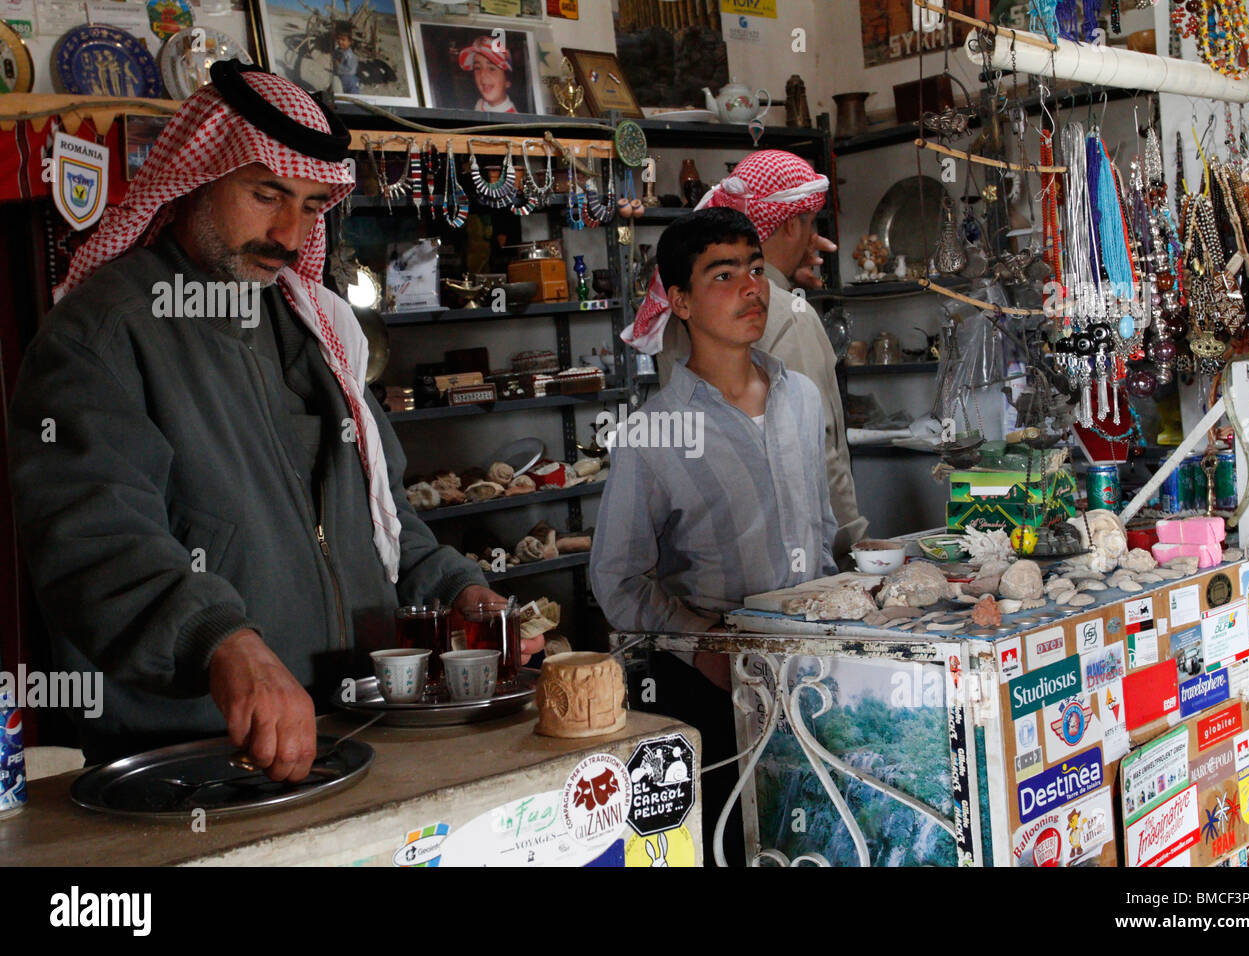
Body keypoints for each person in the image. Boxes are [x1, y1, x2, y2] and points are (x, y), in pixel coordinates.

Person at [7, 60, 541, 779]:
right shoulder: (103, 334)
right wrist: (220, 641)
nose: (289, 235)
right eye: (267, 194)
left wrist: (454, 588)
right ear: (198, 173)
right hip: (192, 760)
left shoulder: (312, 325)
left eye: (313, 207)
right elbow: (96, 542)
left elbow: (381, 515)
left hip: (356, 732)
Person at [590, 207, 837, 863]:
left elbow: (826, 529)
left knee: (823, 838)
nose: (750, 289)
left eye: (755, 270)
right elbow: (616, 581)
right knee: (734, 847)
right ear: (679, 300)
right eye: (723, 275)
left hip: (815, 675)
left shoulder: (803, 399)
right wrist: (703, 646)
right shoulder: (652, 436)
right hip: (714, 693)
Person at [628, 150, 868, 562]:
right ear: (791, 222)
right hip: (784, 548)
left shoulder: (683, 311)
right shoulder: (792, 317)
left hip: (704, 542)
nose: (813, 238)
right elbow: (818, 450)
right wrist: (851, 543)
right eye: (809, 224)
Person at [458, 36, 516, 113]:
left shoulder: (513, 120)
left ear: (507, 81)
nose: (482, 74)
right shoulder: (480, 104)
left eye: (491, 69)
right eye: (478, 68)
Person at [331, 23, 360, 95]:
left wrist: (339, 66)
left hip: (350, 81)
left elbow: (351, 70)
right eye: (339, 39)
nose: (340, 42)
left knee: (351, 97)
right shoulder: (339, 51)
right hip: (341, 78)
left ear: (350, 42)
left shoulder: (349, 55)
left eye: (343, 40)